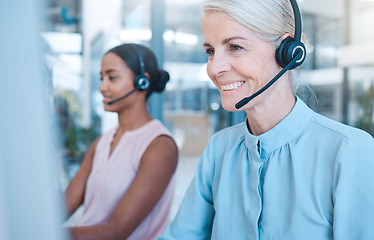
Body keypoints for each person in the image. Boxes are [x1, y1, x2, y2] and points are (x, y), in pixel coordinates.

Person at [159, 0, 374, 239]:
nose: (214, 68)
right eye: (210, 51)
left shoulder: (350, 152)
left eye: (235, 47)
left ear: (288, 51)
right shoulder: (220, 149)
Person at [64, 43, 178, 240]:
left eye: (112, 77)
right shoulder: (103, 141)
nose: (102, 88)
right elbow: (63, 206)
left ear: (142, 82)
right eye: (102, 78)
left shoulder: (160, 146)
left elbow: (116, 231)